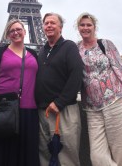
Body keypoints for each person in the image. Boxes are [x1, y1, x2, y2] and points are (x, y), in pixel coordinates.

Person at [76, 12, 122, 166]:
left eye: (88, 25)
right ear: (78, 27)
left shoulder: (105, 44)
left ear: (94, 27)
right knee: (97, 157)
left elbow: (121, 72)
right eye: (82, 25)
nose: (85, 28)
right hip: (92, 108)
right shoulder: (76, 49)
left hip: (116, 102)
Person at [0, 19, 40, 166]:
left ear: (25, 31)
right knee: (3, 150)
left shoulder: (33, 54)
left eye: (19, 29)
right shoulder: (0, 53)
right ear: (7, 34)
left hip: (29, 108)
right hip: (4, 107)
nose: (15, 32)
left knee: (26, 149)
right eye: (12, 30)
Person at [35, 12, 83, 166]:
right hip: (43, 110)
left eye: (53, 23)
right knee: (44, 152)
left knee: (67, 154)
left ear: (60, 28)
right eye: (46, 23)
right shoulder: (42, 51)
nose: (49, 25)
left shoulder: (69, 46)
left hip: (63, 110)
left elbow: (76, 76)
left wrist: (60, 102)